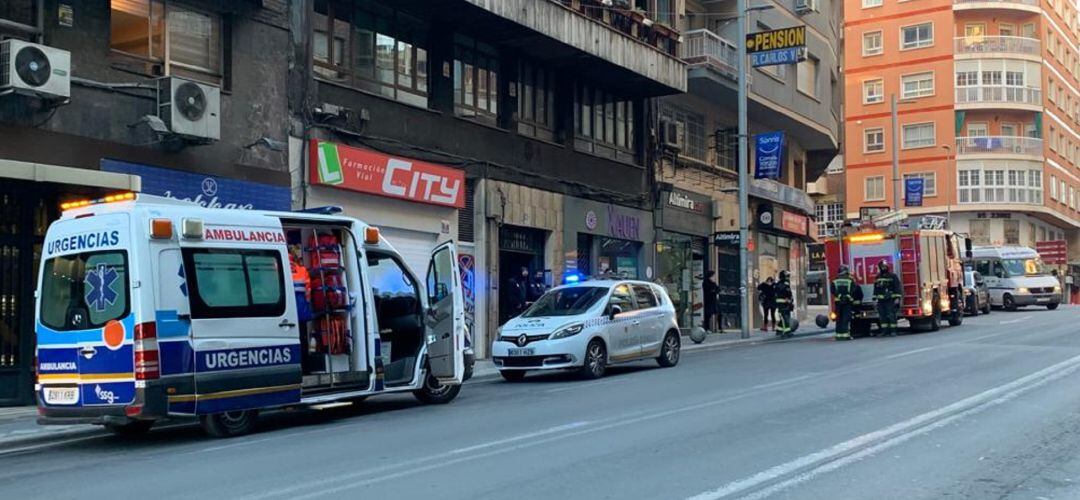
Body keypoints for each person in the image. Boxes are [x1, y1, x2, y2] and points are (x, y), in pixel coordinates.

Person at [830, 265, 862, 341]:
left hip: (838, 303)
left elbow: (833, 290)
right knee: (846, 319)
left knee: (838, 319)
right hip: (847, 303)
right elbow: (854, 290)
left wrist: (840, 296)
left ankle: (838, 335)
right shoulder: (850, 280)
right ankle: (846, 335)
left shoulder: (835, 281)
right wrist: (847, 296)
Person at [873, 261, 902, 337]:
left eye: (885, 266)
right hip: (880, 301)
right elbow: (875, 289)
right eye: (882, 267)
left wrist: (897, 298)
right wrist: (874, 299)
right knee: (882, 316)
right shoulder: (878, 277)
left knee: (891, 315)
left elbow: (897, 287)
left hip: (890, 300)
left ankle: (893, 331)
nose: (883, 268)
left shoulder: (893, 276)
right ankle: (884, 331)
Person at [773, 271, 794, 338]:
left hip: (781, 304)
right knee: (785, 318)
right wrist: (790, 301)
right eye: (787, 276)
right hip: (784, 304)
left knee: (783, 318)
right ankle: (787, 332)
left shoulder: (777, 284)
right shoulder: (785, 284)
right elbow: (789, 294)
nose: (788, 278)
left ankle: (779, 331)